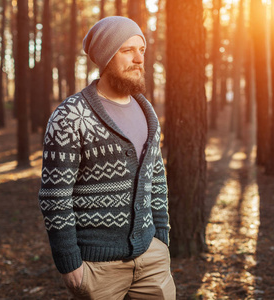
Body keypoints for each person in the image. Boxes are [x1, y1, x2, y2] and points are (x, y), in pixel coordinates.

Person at [38, 16, 175, 299]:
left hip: (152, 260)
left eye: (141, 50)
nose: (139, 59)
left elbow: (157, 180)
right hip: (97, 267)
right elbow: (55, 195)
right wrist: (68, 261)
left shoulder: (146, 112)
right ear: (105, 57)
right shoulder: (71, 115)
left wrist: (162, 237)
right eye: (127, 50)